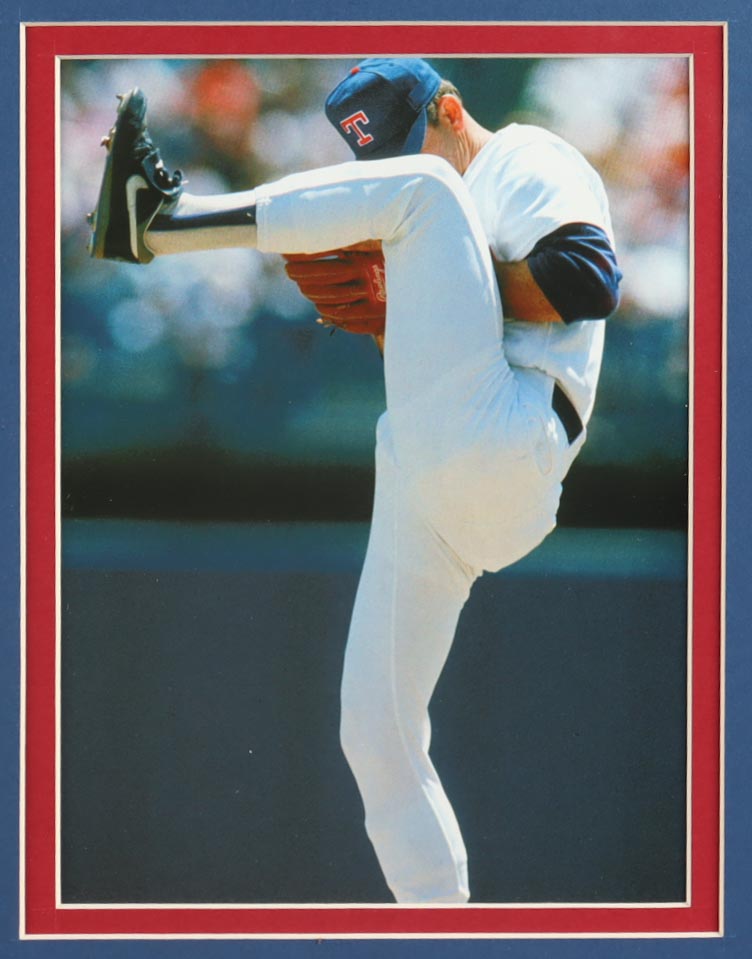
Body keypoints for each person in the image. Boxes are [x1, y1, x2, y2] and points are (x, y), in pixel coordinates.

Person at [88, 57, 621, 904]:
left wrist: (430, 283)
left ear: (450, 110)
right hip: (445, 474)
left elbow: (587, 282)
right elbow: (437, 363)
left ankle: (161, 222)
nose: (399, 165)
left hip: (516, 429)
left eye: (411, 142)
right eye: (381, 157)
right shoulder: (425, 209)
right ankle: (442, 930)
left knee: (424, 195)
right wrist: (400, 308)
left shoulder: (526, 159)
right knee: (375, 731)